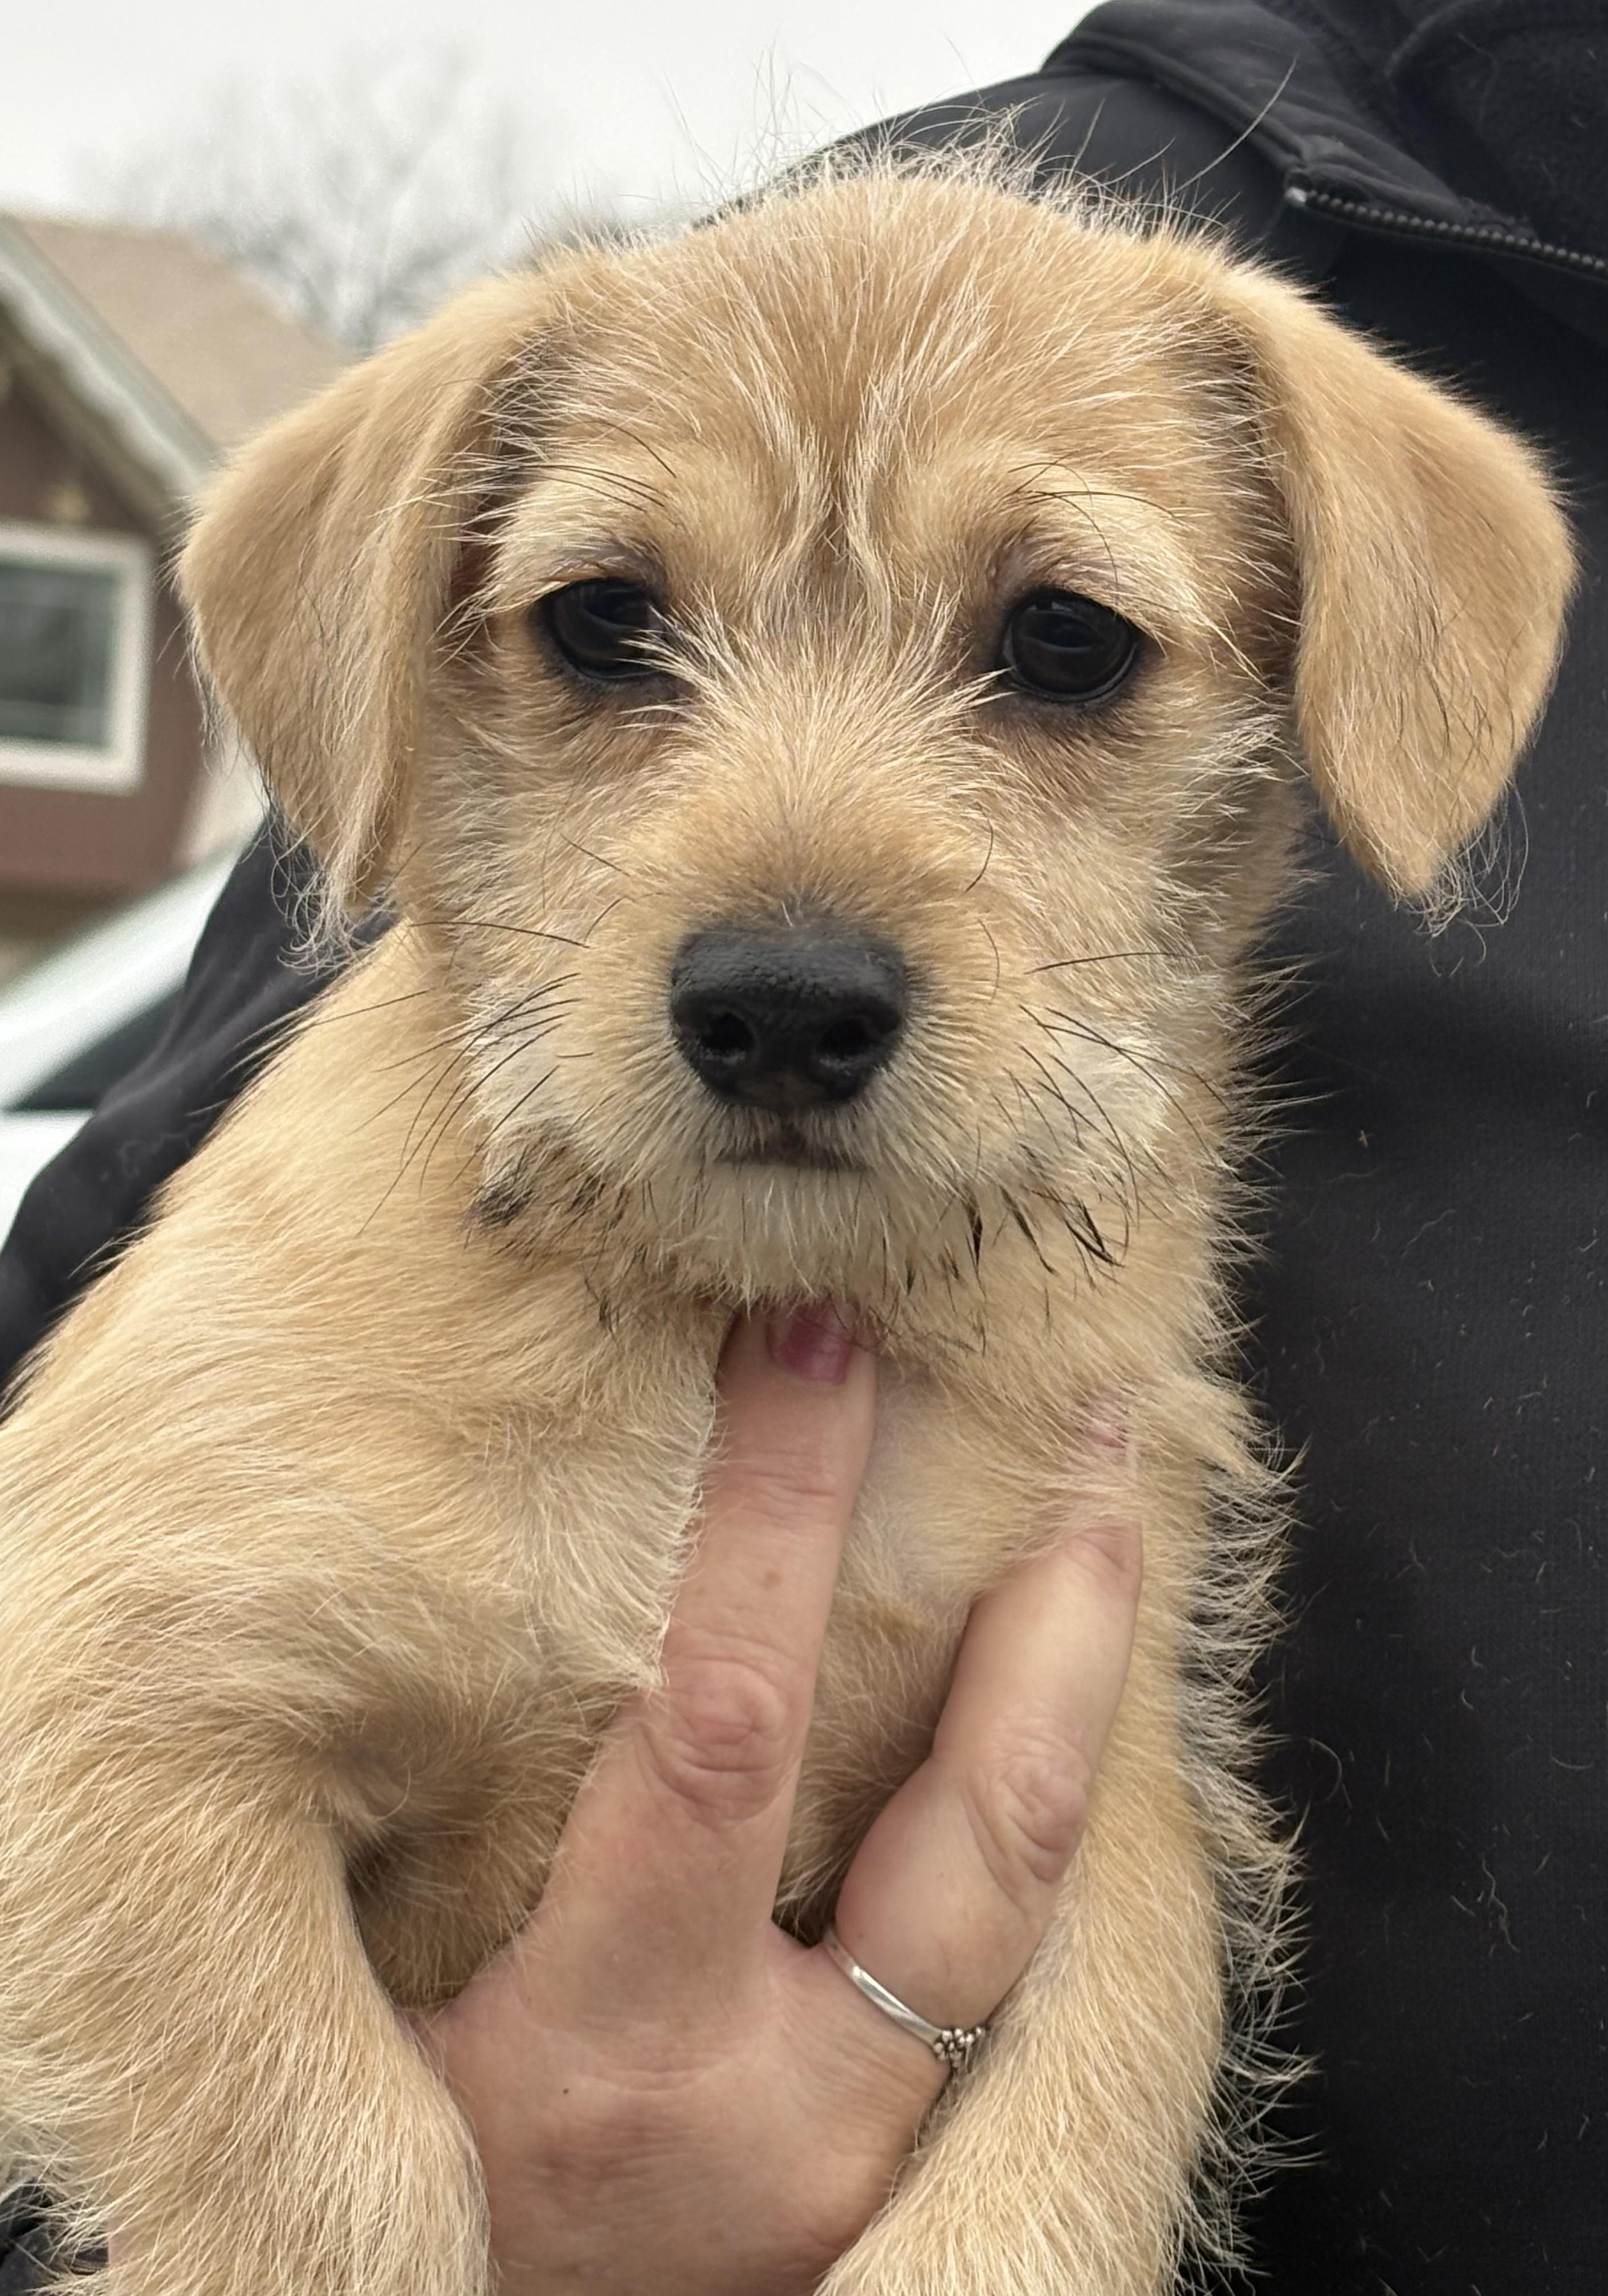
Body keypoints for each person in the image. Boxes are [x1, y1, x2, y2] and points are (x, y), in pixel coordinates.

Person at [2, 1, 1602, 2289]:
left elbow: (1095, 1842)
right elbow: (78, 1726)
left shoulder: (1099, 1291)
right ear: (412, 659)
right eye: (605, 627)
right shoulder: (309, 1274)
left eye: (1058, 650)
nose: (788, 924)